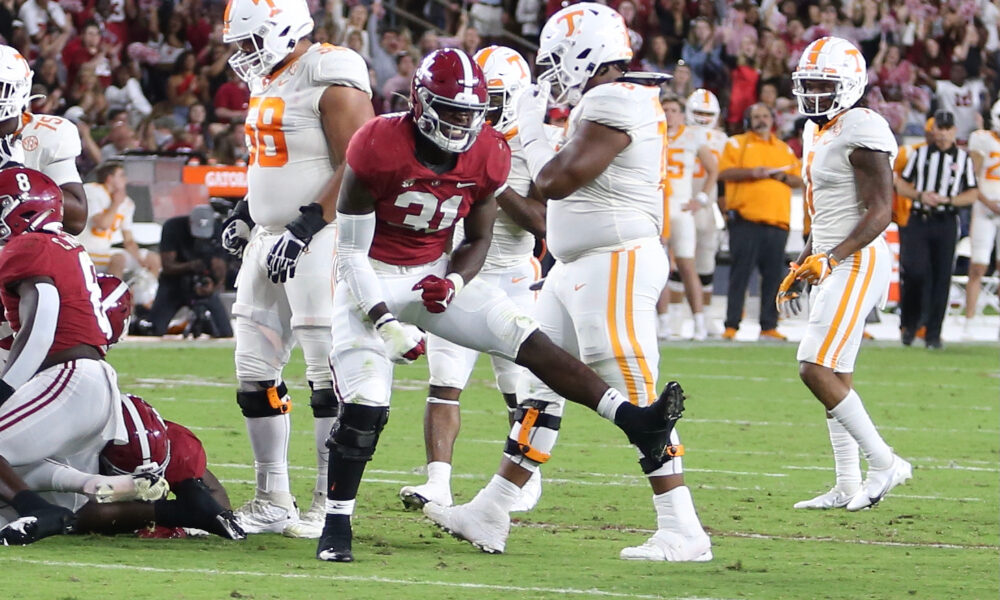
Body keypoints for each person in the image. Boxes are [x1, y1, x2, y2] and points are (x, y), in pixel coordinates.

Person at [318, 46, 684, 563]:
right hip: (368, 278)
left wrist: (455, 284)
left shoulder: (488, 150)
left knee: (524, 338)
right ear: (421, 104)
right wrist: (382, 320)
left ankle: (633, 419)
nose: (463, 122)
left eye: (471, 112)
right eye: (452, 111)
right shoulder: (377, 143)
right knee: (368, 403)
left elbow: (477, 238)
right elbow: (350, 252)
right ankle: (337, 524)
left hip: (431, 277)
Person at [422, 5, 710, 563]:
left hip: (616, 259)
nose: (550, 72)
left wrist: (529, 125)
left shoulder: (613, 99)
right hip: (580, 264)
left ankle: (683, 527)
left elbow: (552, 182)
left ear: (586, 55)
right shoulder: (612, 100)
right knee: (539, 387)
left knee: (637, 394)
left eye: (557, 59)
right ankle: (492, 508)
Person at [220, 0, 375, 539]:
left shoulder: (330, 70)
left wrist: (307, 224)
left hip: (321, 236)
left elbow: (362, 161)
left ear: (283, 28)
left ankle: (326, 503)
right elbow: (274, 160)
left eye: (249, 41)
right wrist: (247, 211)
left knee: (324, 374)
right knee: (253, 370)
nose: (243, 55)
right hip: (271, 239)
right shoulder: (272, 78)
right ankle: (272, 498)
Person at [397, 45, 549, 513]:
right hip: (458, 273)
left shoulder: (535, 144)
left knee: (519, 388)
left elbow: (544, 222)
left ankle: (526, 479)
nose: (481, 107)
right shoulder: (451, 137)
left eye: (495, 97)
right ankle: (438, 482)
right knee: (444, 380)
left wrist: (496, 185)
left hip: (514, 276)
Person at [778, 36, 912, 511]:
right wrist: (804, 259)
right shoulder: (818, 130)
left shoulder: (865, 127)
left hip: (859, 258)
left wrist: (832, 257)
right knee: (836, 373)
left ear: (851, 85)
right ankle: (847, 484)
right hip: (833, 256)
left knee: (813, 367)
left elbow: (881, 212)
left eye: (822, 83)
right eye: (807, 83)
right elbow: (825, 210)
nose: (812, 92)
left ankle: (885, 461)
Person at [0, 167, 121, 545]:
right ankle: (47, 508)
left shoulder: (28, 246)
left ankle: (36, 508)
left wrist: (5, 389)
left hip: (66, 379)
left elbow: (44, 317)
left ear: (22, 208)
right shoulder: (64, 244)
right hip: (90, 381)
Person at [718, 102, 803, 341]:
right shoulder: (737, 143)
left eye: (765, 115)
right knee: (740, 275)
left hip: (778, 221)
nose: (762, 120)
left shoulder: (783, 149)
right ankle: (732, 325)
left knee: (774, 276)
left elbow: (799, 180)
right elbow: (723, 173)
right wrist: (752, 172)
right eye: (757, 116)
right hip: (746, 219)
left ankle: (769, 325)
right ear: (748, 120)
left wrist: (782, 176)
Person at [895, 110, 978, 349]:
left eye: (947, 129)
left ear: (954, 131)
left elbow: (972, 192)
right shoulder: (919, 154)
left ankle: (933, 334)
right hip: (919, 218)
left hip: (946, 220)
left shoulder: (963, 159)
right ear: (933, 131)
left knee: (942, 277)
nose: (942, 134)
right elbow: (901, 184)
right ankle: (909, 324)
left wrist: (949, 200)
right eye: (939, 129)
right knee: (915, 272)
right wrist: (921, 195)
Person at [0, 45, 88, 235]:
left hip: (27, 252)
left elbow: (77, 219)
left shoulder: (48, 134)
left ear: (19, 89)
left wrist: (18, 178)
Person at [656, 95, 718, 341]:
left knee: (687, 265)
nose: (669, 114)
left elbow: (713, 168)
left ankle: (699, 322)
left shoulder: (693, 135)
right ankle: (663, 323)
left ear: (682, 114)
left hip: (681, 207)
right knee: (659, 268)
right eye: (666, 109)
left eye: (673, 110)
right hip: (657, 207)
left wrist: (701, 199)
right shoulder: (652, 132)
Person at [145, 205, 232, 339]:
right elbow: (167, 266)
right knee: (154, 330)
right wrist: (191, 266)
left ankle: (204, 324)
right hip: (173, 284)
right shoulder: (173, 227)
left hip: (203, 286)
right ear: (190, 222)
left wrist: (212, 286)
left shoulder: (218, 230)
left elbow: (221, 268)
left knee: (225, 332)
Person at [686, 89, 728, 337]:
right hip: (681, 202)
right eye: (698, 112)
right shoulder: (679, 135)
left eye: (707, 113)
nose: (702, 117)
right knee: (679, 262)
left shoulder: (723, 140)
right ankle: (679, 313)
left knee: (705, 262)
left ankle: (707, 314)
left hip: (707, 205)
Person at [77, 161, 160, 280]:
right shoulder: (92, 191)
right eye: (121, 175)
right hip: (86, 250)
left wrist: (140, 259)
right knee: (118, 259)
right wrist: (115, 204)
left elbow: (128, 240)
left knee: (153, 259)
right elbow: (102, 224)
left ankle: (145, 295)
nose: (125, 179)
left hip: (105, 250)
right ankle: (113, 296)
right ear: (110, 178)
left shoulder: (127, 203)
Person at [963, 100, 1000, 338]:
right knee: (978, 265)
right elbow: (972, 175)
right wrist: (988, 202)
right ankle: (970, 322)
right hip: (984, 207)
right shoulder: (982, 139)